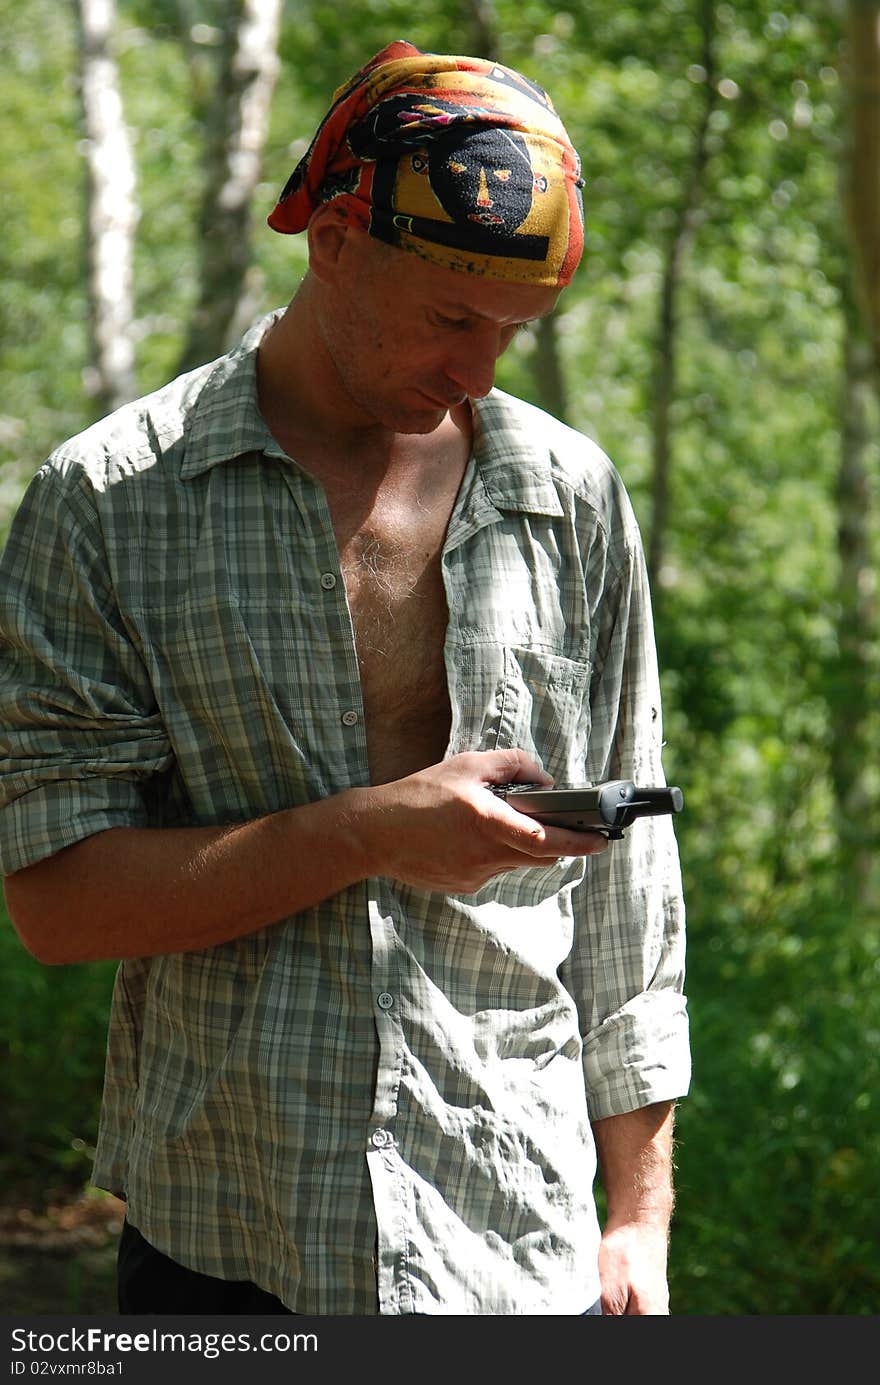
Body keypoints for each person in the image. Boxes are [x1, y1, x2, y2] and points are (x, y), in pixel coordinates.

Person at [0, 41, 690, 1316]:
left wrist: (636, 1212)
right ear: (331, 240)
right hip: (225, 1235)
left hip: (512, 1227)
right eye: (450, 318)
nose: (481, 370)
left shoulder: (568, 495)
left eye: (512, 330)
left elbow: (631, 889)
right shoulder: (108, 501)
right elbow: (58, 904)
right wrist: (371, 832)